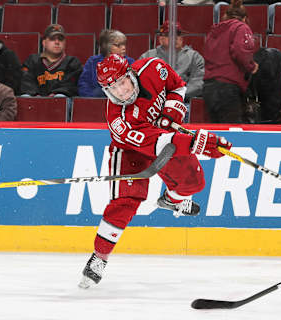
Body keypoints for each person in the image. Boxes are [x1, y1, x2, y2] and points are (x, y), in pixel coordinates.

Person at [78, 53, 232, 289]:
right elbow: (161, 145)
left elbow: (177, 86)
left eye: (122, 82)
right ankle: (99, 257)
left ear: (130, 74)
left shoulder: (154, 67)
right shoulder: (118, 120)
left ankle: (171, 201)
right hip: (131, 150)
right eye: (112, 88)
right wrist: (198, 143)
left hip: (165, 136)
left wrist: (170, 114)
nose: (120, 91)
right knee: (126, 201)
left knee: (194, 184)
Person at [203, 0, 259, 123]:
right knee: (231, 133)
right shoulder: (241, 28)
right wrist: (252, 66)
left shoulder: (214, 31)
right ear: (244, 18)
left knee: (215, 134)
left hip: (209, 87)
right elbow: (241, 52)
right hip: (228, 88)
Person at [139, 21, 204, 104]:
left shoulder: (194, 57)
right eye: (170, 35)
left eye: (178, 34)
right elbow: (139, 80)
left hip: (184, 102)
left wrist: (178, 94)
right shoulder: (148, 56)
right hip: (154, 103)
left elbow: (200, 82)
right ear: (161, 39)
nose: (176, 37)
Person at [21, 24, 82, 97]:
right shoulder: (32, 61)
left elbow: (70, 86)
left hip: (60, 102)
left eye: (60, 39)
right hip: (36, 100)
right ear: (44, 43)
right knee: (26, 96)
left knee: (60, 97)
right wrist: (35, 94)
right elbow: (26, 81)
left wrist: (55, 93)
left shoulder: (72, 62)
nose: (57, 42)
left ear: (65, 43)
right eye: (52, 39)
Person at [78, 29, 135, 97]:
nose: (124, 48)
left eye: (124, 44)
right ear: (107, 47)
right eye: (118, 45)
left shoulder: (130, 62)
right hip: (96, 100)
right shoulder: (93, 62)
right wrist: (93, 99)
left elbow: (133, 87)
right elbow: (84, 84)